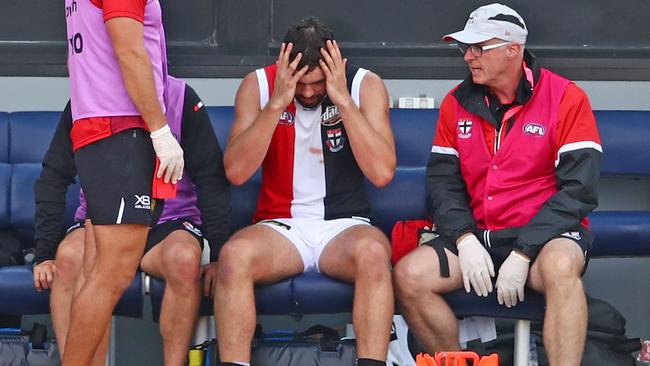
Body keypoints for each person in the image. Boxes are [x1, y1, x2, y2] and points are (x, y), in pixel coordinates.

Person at [393, 4, 602, 365]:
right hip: (478, 238)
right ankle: (463, 362)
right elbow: (443, 183)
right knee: (410, 275)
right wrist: (464, 237)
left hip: (543, 241)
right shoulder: (455, 103)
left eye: (479, 48)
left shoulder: (567, 98)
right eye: (465, 48)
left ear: (513, 50)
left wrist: (523, 252)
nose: (469, 57)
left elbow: (579, 191)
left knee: (561, 269)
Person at [212, 17, 396, 366]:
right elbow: (236, 172)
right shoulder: (259, 86)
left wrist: (342, 100)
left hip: (343, 224)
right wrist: (277, 104)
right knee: (234, 257)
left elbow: (383, 172)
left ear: (333, 67)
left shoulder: (363, 85)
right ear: (285, 67)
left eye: (317, 84)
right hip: (279, 226)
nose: (309, 92)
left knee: (374, 253)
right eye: (301, 84)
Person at [33, 77, 231, 365]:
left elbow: (211, 179)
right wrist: (44, 253)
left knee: (185, 259)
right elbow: (54, 175)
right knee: (68, 260)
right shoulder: (87, 98)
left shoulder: (180, 96)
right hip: (102, 220)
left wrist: (220, 253)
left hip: (167, 221)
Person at [63, 0, 184, 364]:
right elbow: (130, 53)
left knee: (99, 271)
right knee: (111, 275)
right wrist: (161, 131)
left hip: (99, 127)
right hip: (120, 128)